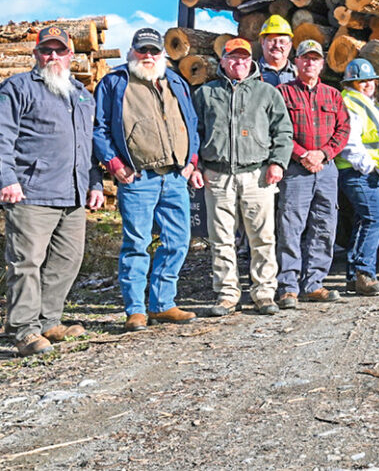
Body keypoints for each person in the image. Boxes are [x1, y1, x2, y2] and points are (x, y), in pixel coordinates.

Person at [0, 27, 104, 356]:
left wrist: (95, 182)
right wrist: (6, 177)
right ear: (36, 54)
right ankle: (23, 330)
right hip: (31, 192)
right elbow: (1, 135)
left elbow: (86, 145)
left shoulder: (80, 93)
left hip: (72, 194)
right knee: (26, 262)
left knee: (67, 260)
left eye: (60, 50)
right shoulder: (17, 88)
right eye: (47, 50)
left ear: (72, 55)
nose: (54, 56)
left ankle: (48, 321)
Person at [94, 27, 201, 331]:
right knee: (137, 244)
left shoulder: (175, 81)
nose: (149, 56)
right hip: (137, 178)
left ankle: (163, 304)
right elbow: (99, 129)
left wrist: (191, 160)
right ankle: (136, 310)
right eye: (143, 50)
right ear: (132, 51)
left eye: (154, 51)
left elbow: (191, 123)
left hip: (175, 177)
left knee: (178, 242)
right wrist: (113, 163)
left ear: (162, 54)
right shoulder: (115, 82)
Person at [193, 38, 293, 317]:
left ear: (251, 61)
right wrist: (197, 165)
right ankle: (227, 293)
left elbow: (283, 131)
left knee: (263, 237)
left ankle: (263, 292)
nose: (239, 63)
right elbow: (194, 132)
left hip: (257, 174)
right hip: (217, 174)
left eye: (244, 58)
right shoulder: (205, 93)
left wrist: (277, 163)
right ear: (222, 62)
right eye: (233, 58)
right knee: (221, 238)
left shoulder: (267, 93)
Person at [275, 39, 350, 306]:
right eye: (305, 58)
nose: (310, 63)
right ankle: (288, 286)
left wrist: (325, 153)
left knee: (324, 225)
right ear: (296, 62)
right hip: (296, 170)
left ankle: (314, 283)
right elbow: (278, 130)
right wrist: (303, 154)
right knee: (290, 227)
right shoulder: (282, 93)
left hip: (326, 170)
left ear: (322, 63)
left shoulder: (333, 95)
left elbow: (343, 130)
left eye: (315, 58)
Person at [336, 58, 379, 296]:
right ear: (352, 83)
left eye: (370, 80)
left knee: (363, 220)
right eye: (361, 81)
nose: (367, 84)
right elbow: (349, 141)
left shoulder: (371, 104)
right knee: (374, 219)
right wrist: (367, 166)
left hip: (368, 171)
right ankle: (364, 273)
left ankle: (353, 275)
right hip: (357, 170)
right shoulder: (350, 102)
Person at [257, 14, 296, 87]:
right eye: (272, 40)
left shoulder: (299, 74)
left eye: (282, 41)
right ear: (262, 42)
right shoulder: (251, 72)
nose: (277, 45)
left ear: (290, 45)